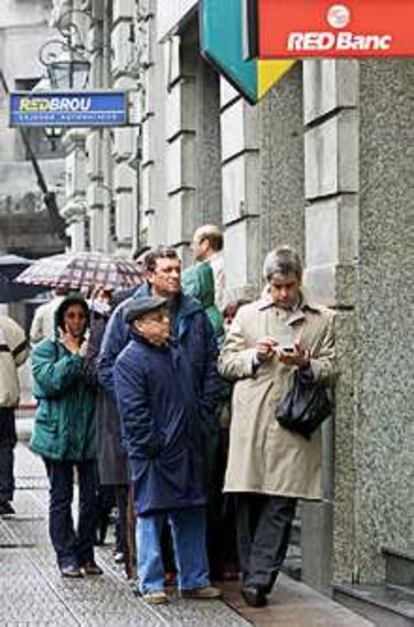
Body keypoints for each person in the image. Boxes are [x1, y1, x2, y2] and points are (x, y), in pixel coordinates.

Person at [97, 246, 224, 584]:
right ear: (150, 275)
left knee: (191, 506)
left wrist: (202, 408)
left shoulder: (195, 315)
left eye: (178, 269)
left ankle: (192, 577)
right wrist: (136, 405)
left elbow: (213, 363)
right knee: (148, 508)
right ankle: (147, 576)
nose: (174, 275)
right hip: (149, 431)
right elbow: (107, 366)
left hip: (190, 428)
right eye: (166, 269)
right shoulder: (128, 313)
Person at [219, 246, 335, 607]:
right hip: (252, 423)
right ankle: (252, 568)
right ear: (268, 283)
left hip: (293, 424)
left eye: (289, 285)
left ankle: (258, 579)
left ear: (299, 281)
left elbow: (333, 368)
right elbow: (226, 362)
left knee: (281, 503)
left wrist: (305, 363)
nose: (283, 293)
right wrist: (255, 355)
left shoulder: (322, 318)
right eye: (276, 286)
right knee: (248, 497)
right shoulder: (248, 316)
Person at [114, 296, 222, 604]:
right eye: (158, 318)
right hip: (154, 454)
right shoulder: (129, 360)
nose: (166, 322)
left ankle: (194, 579)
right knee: (150, 514)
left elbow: (193, 392)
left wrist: (197, 424)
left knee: (191, 512)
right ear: (139, 325)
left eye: (165, 316)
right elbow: (134, 414)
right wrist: (155, 444)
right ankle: (151, 583)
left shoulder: (175, 351)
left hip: (186, 447)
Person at [30, 293, 101, 578]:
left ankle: (86, 553)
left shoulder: (93, 349)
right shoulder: (46, 350)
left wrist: (84, 355)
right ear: (61, 319)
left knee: (91, 498)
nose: (76, 322)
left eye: (81, 316)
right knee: (60, 496)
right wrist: (72, 356)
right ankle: (66, 555)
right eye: (70, 316)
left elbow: (99, 379)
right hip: (56, 435)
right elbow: (50, 382)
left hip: (88, 435)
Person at [0, 314, 29, 516]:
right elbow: (22, 355)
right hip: (4, 397)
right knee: (4, 446)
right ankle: (3, 496)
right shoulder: (7, 324)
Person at [191, 225, 225, 312]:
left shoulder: (217, 267)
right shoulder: (215, 265)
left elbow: (218, 299)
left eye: (194, 243)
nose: (191, 247)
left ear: (205, 244)